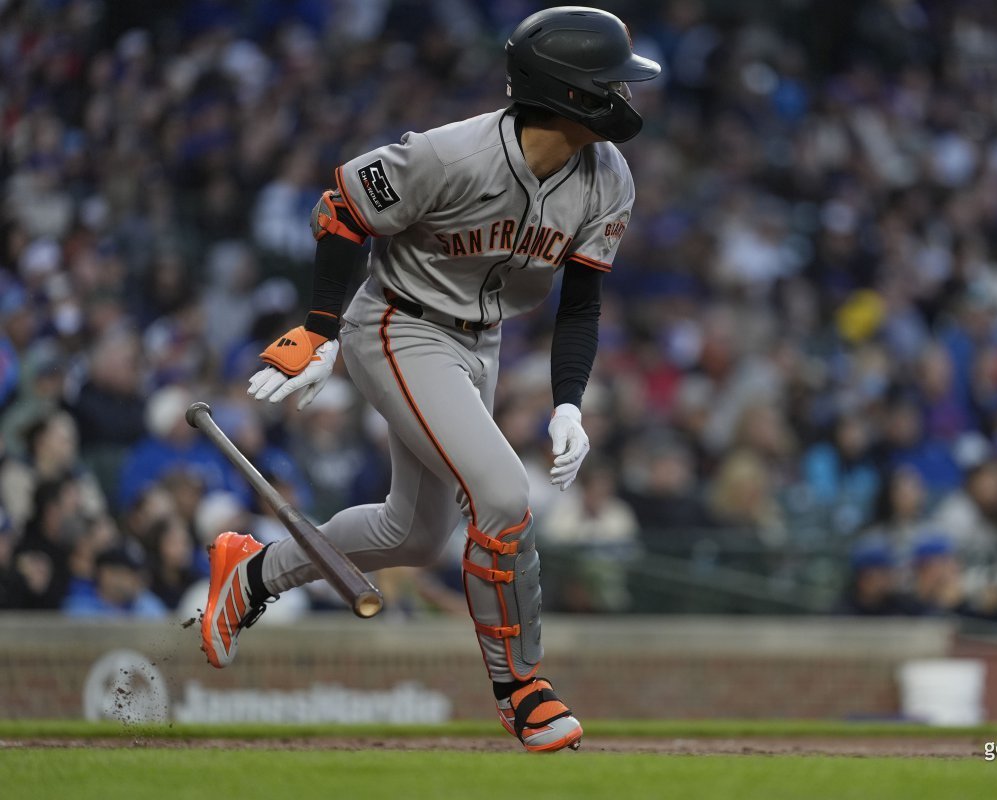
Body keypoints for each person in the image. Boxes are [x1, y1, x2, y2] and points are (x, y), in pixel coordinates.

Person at [199, 7, 659, 753]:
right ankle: (522, 689)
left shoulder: (609, 176)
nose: (625, 97)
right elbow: (341, 211)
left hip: (482, 342)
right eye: (612, 83)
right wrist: (319, 329)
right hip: (398, 324)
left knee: (412, 534)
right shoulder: (452, 154)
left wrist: (569, 404)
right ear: (569, 92)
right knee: (504, 498)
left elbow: (581, 302)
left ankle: (250, 577)